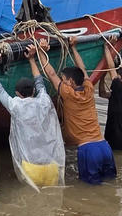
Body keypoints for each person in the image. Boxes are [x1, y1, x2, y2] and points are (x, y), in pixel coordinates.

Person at [36, 37, 117, 185]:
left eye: (64, 80)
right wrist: (74, 47)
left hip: (88, 150)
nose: (63, 82)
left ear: (71, 83)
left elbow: (51, 74)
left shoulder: (68, 94)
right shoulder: (89, 89)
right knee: (111, 186)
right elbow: (84, 70)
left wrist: (39, 51)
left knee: (89, 191)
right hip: (104, 146)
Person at [0, 46, 64, 190]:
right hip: (52, 167)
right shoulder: (45, 101)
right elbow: (39, 81)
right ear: (33, 90)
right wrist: (32, 59)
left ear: (17, 93)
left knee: (32, 206)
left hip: (31, 168)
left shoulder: (16, 106)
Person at [100, 36, 122, 151]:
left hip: (120, 136)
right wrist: (101, 78)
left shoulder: (121, 88)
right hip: (121, 135)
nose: (114, 79)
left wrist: (107, 47)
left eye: (118, 77)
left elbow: (111, 68)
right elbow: (102, 94)